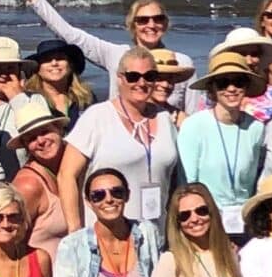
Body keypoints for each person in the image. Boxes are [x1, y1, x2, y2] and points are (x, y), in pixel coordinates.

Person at [0, 0, 171, 89]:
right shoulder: (115, 55)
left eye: (158, 19)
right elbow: (67, 33)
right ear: (132, 25)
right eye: (143, 20)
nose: (151, 25)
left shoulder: (181, 63)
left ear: (165, 23)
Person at [55, 48, 181, 234]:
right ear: (120, 78)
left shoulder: (164, 118)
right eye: (133, 76)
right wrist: (75, 230)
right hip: (106, 235)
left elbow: (174, 181)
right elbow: (66, 175)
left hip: (156, 233)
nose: (142, 82)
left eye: (150, 76)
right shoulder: (97, 117)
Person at [178, 50, 268, 241]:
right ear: (212, 89)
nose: (231, 88)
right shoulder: (194, 126)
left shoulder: (256, 128)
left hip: (245, 222)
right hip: (205, 222)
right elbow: (188, 184)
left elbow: (254, 183)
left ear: (246, 86)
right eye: (223, 83)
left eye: (238, 82)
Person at [2, 95, 74, 259]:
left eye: (45, 131)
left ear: (59, 130)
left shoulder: (74, 166)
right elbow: (10, 240)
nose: (41, 141)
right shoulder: (28, 185)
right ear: (26, 146)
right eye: (31, 138)